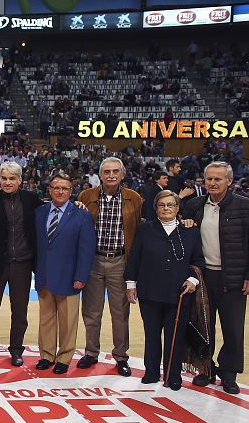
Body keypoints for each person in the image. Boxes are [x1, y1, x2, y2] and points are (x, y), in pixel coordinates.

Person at [125, 190, 204, 390]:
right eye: (162, 205)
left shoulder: (190, 231)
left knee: (174, 337)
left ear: (178, 208)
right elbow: (134, 258)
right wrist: (130, 284)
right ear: (156, 208)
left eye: (170, 205)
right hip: (149, 292)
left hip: (178, 294)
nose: (166, 208)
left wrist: (193, 280)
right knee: (151, 335)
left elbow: (198, 261)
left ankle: (172, 374)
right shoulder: (145, 229)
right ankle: (151, 372)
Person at [182, 161, 249, 395]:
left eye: (217, 179)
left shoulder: (244, 206)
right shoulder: (194, 205)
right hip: (203, 275)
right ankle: (205, 369)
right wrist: (185, 224)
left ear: (229, 181)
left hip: (233, 276)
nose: (212, 183)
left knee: (232, 328)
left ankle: (229, 373)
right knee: (203, 325)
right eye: (208, 178)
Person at [77, 157, 142, 377]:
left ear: (123, 174)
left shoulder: (134, 199)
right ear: (100, 174)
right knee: (91, 312)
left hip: (120, 262)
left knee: (119, 313)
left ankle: (121, 356)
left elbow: (139, 234)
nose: (111, 175)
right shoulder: (86, 196)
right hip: (93, 260)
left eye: (115, 171)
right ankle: (91, 353)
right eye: (107, 171)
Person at [0, 161, 42, 367]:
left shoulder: (32, 200)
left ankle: (16, 350)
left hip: (22, 264)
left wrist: (77, 203)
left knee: (20, 312)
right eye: (4, 178)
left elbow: (54, 210)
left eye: (12, 178)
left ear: (20, 181)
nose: (7, 182)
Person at [34, 172, 96, 375]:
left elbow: (86, 250)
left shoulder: (82, 215)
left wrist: (81, 276)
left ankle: (64, 357)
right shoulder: (40, 212)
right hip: (44, 275)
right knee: (46, 319)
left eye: (65, 188)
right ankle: (46, 355)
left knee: (68, 322)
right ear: (49, 190)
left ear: (71, 191)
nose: (60, 191)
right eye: (56, 187)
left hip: (70, 278)